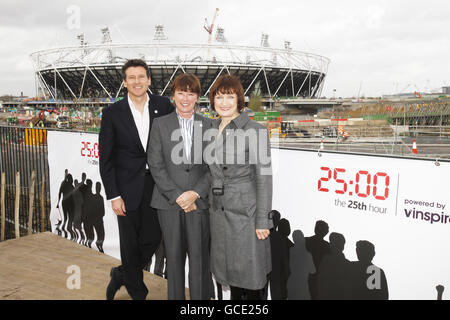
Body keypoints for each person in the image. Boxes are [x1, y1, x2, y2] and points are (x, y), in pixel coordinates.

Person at [99, 59, 174, 300]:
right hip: (126, 187)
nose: (137, 81)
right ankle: (138, 292)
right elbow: (106, 158)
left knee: (152, 238)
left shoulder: (164, 105)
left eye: (141, 76)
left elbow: (175, 141)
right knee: (129, 242)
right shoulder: (112, 113)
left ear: (149, 80)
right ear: (124, 82)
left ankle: (121, 274)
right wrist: (113, 195)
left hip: (156, 185)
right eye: (131, 77)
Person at [207, 74, 273, 300]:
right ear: (212, 100)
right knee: (232, 276)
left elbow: (264, 177)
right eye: (219, 97)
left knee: (252, 279)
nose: (224, 102)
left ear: (239, 100)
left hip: (247, 215)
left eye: (229, 97)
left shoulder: (255, 130)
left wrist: (263, 219)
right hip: (219, 213)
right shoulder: (210, 128)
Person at [148, 73, 213, 300]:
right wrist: (178, 196)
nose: (185, 98)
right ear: (173, 95)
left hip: (199, 203)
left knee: (199, 260)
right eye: (181, 93)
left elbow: (213, 167)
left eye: (191, 93)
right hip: (168, 204)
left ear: (197, 97)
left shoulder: (208, 125)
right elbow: (155, 164)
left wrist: (194, 194)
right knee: (173, 261)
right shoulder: (160, 124)